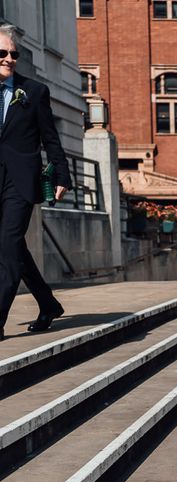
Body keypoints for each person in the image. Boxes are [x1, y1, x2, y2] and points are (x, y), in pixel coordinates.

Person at [0, 24, 71, 341]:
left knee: (9, 246)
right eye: (2, 53)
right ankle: (48, 304)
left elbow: (51, 139)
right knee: (12, 248)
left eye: (13, 54)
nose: (9, 59)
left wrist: (61, 173)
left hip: (21, 180)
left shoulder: (33, 91)